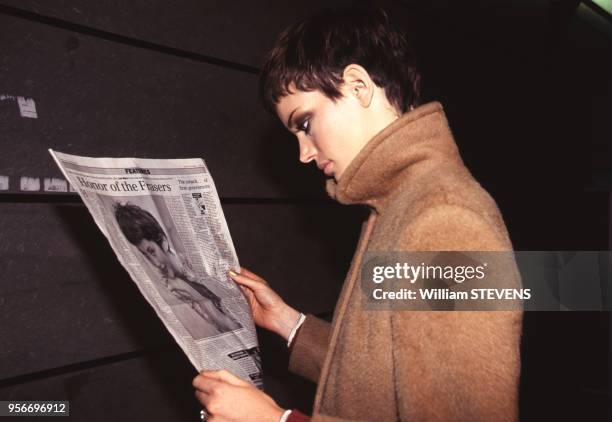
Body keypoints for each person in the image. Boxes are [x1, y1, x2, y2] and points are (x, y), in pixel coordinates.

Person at [193, 7, 522, 422]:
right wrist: (289, 323)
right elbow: (382, 377)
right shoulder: (399, 204)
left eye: (305, 123)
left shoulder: (443, 220)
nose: (304, 153)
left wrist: (277, 421)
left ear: (358, 86)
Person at [114, 202, 242, 334]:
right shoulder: (171, 287)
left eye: (152, 252)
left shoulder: (191, 262)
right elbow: (219, 322)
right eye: (146, 255)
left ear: (162, 242)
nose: (155, 263)